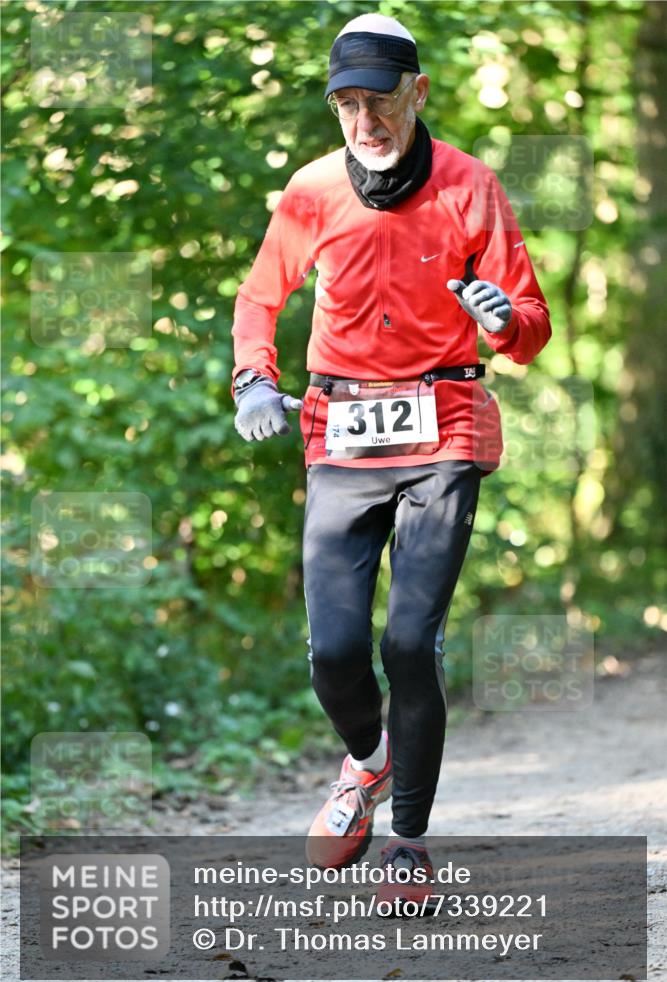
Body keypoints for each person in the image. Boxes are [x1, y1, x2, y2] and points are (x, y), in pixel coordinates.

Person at [231, 13, 551, 906]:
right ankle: (366, 767)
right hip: (341, 433)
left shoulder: (468, 186)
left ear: (418, 93)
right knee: (332, 652)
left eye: (380, 102)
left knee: (408, 642)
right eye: (346, 105)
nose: (364, 124)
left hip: (443, 427)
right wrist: (252, 382)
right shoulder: (310, 190)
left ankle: (406, 840)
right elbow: (260, 299)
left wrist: (501, 319)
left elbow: (531, 326)